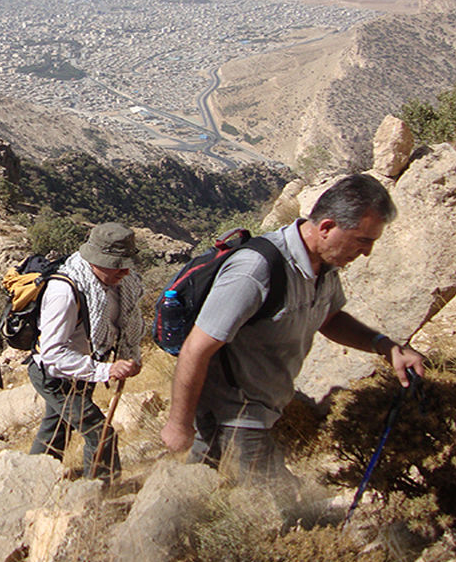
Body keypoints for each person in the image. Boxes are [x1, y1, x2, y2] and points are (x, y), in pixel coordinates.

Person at [161, 173, 427, 487]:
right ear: (327, 227)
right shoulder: (256, 270)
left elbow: (329, 319)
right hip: (232, 416)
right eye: (362, 240)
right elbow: (196, 348)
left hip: (261, 412)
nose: (367, 251)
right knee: (284, 505)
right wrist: (178, 424)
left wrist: (385, 345)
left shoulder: (324, 266)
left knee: (203, 496)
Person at [28, 222, 145, 480]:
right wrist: (106, 370)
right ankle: (101, 493)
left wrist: (128, 356)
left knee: (56, 429)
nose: (124, 271)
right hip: (54, 376)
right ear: (95, 260)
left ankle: (31, 481)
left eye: (126, 264)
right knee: (100, 432)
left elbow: (122, 325)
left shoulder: (119, 285)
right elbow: (53, 354)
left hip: (82, 373)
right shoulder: (64, 291)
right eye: (116, 264)